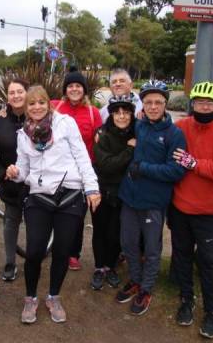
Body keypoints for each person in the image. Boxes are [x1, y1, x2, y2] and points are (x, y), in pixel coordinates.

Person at [6, 85, 101, 324]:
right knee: (35, 250)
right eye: (31, 104)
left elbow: (82, 156)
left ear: (48, 103)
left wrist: (92, 188)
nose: (37, 107)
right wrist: (15, 172)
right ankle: (30, 298)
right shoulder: (22, 135)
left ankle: (53, 296)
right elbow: (23, 169)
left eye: (41, 102)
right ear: (25, 108)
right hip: (39, 195)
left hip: (70, 194)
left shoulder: (65, 123)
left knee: (62, 249)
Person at [169, 81, 213, 339]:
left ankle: (212, 311)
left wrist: (194, 163)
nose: (204, 107)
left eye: (209, 104)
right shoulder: (182, 127)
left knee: (208, 262)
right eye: (200, 103)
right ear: (192, 104)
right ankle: (186, 300)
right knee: (182, 256)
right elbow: (164, 137)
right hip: (179, 207)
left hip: (207, 211)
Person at [116, 81, 186, 316]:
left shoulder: (174, 134)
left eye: (158, 102)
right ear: (142, 104)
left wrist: (143, 168)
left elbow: (176, 170)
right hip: (129, 197)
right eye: (148, 102)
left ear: (166, 104)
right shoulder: (139, 125)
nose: (153, 107)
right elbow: (115, 125)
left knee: (152, 248)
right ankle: (136, 279)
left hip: (153, 202)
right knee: (128, 244)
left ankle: (146, 288)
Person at [51, 70, 102, 271]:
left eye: (78, 86)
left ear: (84, 90)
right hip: (57, 169)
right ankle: (56, 248)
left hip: (83, 170)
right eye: (70, 86)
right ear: (65, 89)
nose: (74, 89)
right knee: (55, 210)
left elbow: (101, 139)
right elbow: (30, 106)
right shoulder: (54, 106)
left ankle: (73, 253)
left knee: (77, 214)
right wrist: (5, 109)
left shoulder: (93, 112)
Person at [0, 78, 29, 282]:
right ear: (7, 96)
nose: (16, 96)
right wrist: (2, 174)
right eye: (12, 93)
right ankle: (10, 262)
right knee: (11, 223)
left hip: (36, 185)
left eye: (20, 91)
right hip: (11, 185)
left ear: (27, 93)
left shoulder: (38, 116)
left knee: (36, 224)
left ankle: (34, 259)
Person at [91, 94, 136, 291]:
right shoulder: (102, 134)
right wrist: (128, 151)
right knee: (100, 231)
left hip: (123, 193)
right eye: (117, 113)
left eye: (126, 113)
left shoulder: (135, 133)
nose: (121, 117)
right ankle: (99, 267)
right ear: (111, 115)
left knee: (116, 233)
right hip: (102, 191)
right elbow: (106, 165)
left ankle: (110, 266)